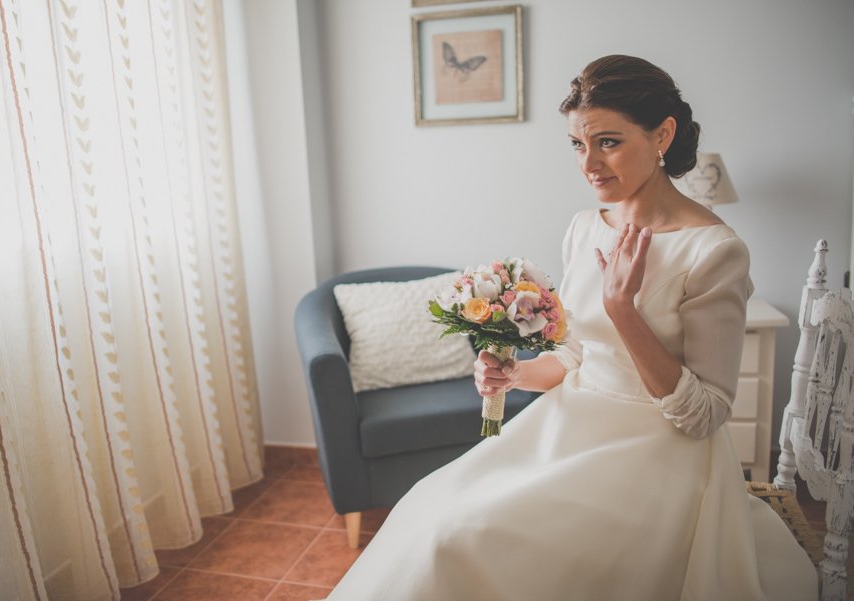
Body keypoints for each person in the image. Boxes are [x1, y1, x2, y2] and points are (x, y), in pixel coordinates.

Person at [320, 55, 817, 600]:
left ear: (663, 135)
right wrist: (515, 376)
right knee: (432, 509)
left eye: (607, 142)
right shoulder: (585, 229)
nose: (589, 163)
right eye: (579, 145)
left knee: (464, 538)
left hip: (657, 455)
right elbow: (577, 357)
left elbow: (703, 416)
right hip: (566, 428)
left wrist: (624, 310)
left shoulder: (714, 250)